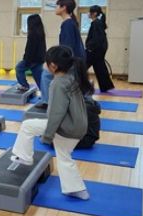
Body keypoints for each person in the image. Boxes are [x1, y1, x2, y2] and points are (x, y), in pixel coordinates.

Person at [11, 45, 92, 200]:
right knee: (64, 156)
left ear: (53, 66)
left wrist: (47, 136)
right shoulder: (71, 77)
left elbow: (56, 113)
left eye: (46, 63)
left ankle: (24, 157)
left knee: (27, 125)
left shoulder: (58, 84)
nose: (44, 65)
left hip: (66, 127)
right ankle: (77, 189)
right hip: (78, 127)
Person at [35, 0, 85, 110]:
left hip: (73, 62)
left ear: (63, 8)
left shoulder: (67, 24)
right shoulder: (70, 23)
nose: (55, 8)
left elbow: (67, 48)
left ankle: (47, 102)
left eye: (57, 6)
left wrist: (55, 62)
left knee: (46, 73)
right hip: (76, 60)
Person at [86, 5, 115, 92]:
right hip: (99, 49)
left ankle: (81, 85)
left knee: (82, 66)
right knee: (100, 67)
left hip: (96, 49)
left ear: (94, 13)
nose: (88, 13)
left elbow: (97, 38)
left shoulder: (96, 23)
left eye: (90, 12)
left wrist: (90, 47)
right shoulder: (97, 23)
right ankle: (106, 86)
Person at [16, 14, 46, 93]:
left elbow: (30, 49)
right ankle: (45, 94)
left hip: (32, 59)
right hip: (39, 59)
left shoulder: (33, 35)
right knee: (39, 78)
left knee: (19, 68)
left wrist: (26, 60)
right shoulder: (40, 33)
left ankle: (24, 85)